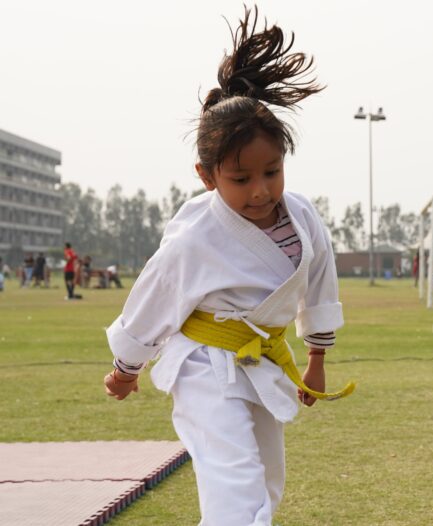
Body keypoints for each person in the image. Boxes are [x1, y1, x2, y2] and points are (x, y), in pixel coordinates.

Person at [103, 7, 354, 525]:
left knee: (267, 479)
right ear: (207, 175)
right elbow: (155, 296)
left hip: (261, 359)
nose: (261, 190)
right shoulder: (195, 234)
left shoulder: (302, 214)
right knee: (236, 490)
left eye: (272, 171)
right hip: (203, 366)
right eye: (241, 179)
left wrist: (317, 357)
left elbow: (320, 283)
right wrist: (127, 368)